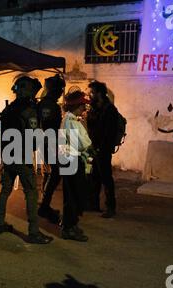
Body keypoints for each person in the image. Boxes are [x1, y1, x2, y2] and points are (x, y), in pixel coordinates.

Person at [0, 76, 53, 244]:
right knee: (31, 192)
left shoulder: (8, 110)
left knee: (5, 190)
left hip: (8, 155)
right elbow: (34, 136)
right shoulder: (29, 111)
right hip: (22, 156)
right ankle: (34, 232)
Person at [59, 91, 91, 241]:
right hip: (72, 159)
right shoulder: (71, 122)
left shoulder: (70, 120)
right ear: (77, 106)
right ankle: (68, 227)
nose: (84, 107)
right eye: (83, 104)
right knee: (73, 195)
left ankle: (71, 224)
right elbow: (81, 143)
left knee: (73, 193)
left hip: (69, 159)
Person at [86, 81, 118, 218]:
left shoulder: (109, 109)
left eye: (92, 92)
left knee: (105, 177)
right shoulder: (96, 107)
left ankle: (110, 207)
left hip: (103, 149)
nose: (90, 95)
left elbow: (108, 131)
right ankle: (93, 204)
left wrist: (101, 148)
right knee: (94, 176)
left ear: (99, 93)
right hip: (95, 147)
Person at [37, 74, 65, 224]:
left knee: (51, 172)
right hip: (49, 143)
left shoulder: (48, 104)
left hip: (49, 142)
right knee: (55, 172)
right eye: (60, 89)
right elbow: (46, 126)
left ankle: (44, 203)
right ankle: (44, 205)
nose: (61, 92)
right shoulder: (48, 105)